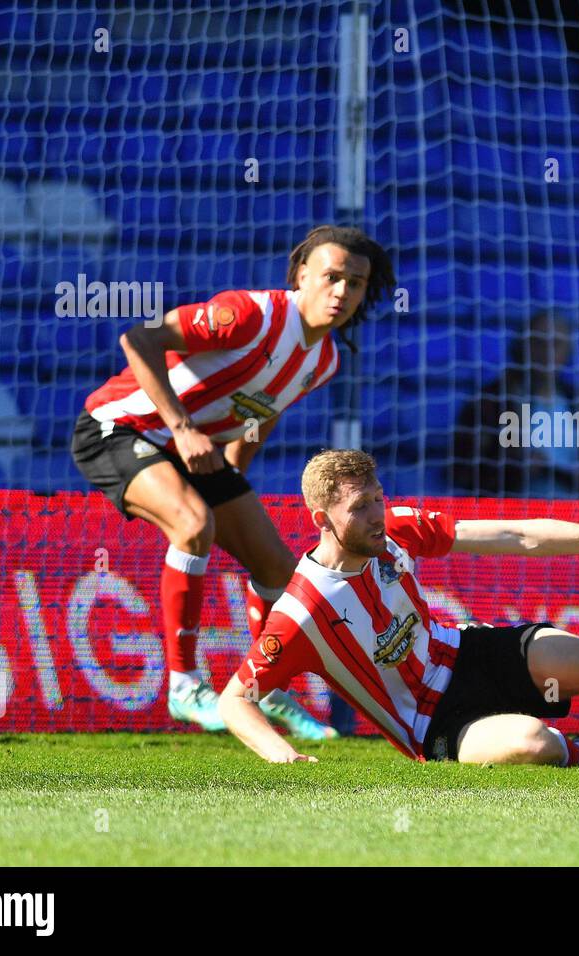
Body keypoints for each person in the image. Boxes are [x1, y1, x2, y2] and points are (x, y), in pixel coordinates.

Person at [71, 225, 395, 738]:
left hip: (197, 453)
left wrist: (234, 470)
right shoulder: (250, 315)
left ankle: (264, 691)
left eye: (354, 284)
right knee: (193, 525)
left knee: (278, 566)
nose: (341, 292)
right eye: (331, 277)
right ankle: (184, 685)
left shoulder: (324, 361)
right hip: (119, 428)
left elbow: (260, 413)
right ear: (302, 276)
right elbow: (138, 338)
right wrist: (180, 426)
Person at [221, 448, 579, 765]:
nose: (377, 516)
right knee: (532, 745)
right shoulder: (302, 611)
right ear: (320, 519)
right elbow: (236, 698)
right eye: (359, 508)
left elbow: (518, 535)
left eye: (378, 498)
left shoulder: (398, 530)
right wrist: (280, 754)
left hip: (466, 651)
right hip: (431, 724)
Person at [451, 311, 579, 498]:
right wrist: (516, 470)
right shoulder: (490, 402)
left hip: (571, 514)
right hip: (510, 513)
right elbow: (462, 472)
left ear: (568, 351)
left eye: (556, 344)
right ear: (522, 346)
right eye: (538, 343)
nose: (547, 352)